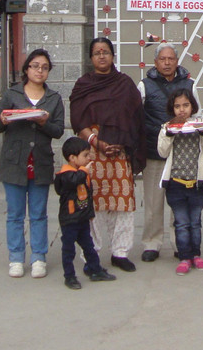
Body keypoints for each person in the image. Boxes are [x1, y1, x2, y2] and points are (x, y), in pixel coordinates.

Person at [70, 37, 146, 273]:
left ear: (113, 56)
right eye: (96, 52)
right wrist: (96, 142)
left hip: (120, 153)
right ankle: (91, 254)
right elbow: (77, 119)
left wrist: (123, 143)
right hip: (91, 153)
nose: (101, 56)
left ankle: (120, 253)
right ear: (91, 58)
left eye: (106, 52)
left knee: (123, 204)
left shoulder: (125, 84)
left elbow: (136, 118)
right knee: (92, 204)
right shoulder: (83, 84)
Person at [0, 48, 65, 279]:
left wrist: (43, 121)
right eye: (35, 66)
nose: (39, 71)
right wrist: (3, 119)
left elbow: (58, 130)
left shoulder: (53, 99)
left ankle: (39, 257)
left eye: (44, 67)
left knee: (39, 214)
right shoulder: (12, 94)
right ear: (26, 69)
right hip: (14, 162)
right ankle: (15, 257)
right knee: (14, 213)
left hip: (40, 162)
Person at [136, 43, 193, 263]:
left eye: (171, 59)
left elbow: (194, 115)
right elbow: (138, 116)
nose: (167, 63)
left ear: (177, 61)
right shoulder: (144, 86)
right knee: (153, 200)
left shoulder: (189, 83)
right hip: (154, 150)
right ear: (155, 62)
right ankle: (152, 242)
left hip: (182, 152)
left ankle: (180, 242)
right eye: (162, 59)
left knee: (180, 200)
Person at [157, 88, 203, 275]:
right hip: (175, 182)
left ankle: (196, 255)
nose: (182, 110)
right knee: (181, 222)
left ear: (192, 106)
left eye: (186, 105)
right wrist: (169, 134)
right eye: (177, 106)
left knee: (195, 221)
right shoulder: (166, 127)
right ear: (172, 108)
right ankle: (184, 257)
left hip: (197, 183)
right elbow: (162, 152)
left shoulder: (200, 124)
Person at [54, 136, 118, 290]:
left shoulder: (80, 172)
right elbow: (72, 181)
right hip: (69, 220)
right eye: (85, 155)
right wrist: (84, 171)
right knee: (68, 250)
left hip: (82, 218)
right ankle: (69, 276)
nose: (89, 158)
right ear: (72, 158)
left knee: (89, 246)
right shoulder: (66, 174)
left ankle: (94, 269)